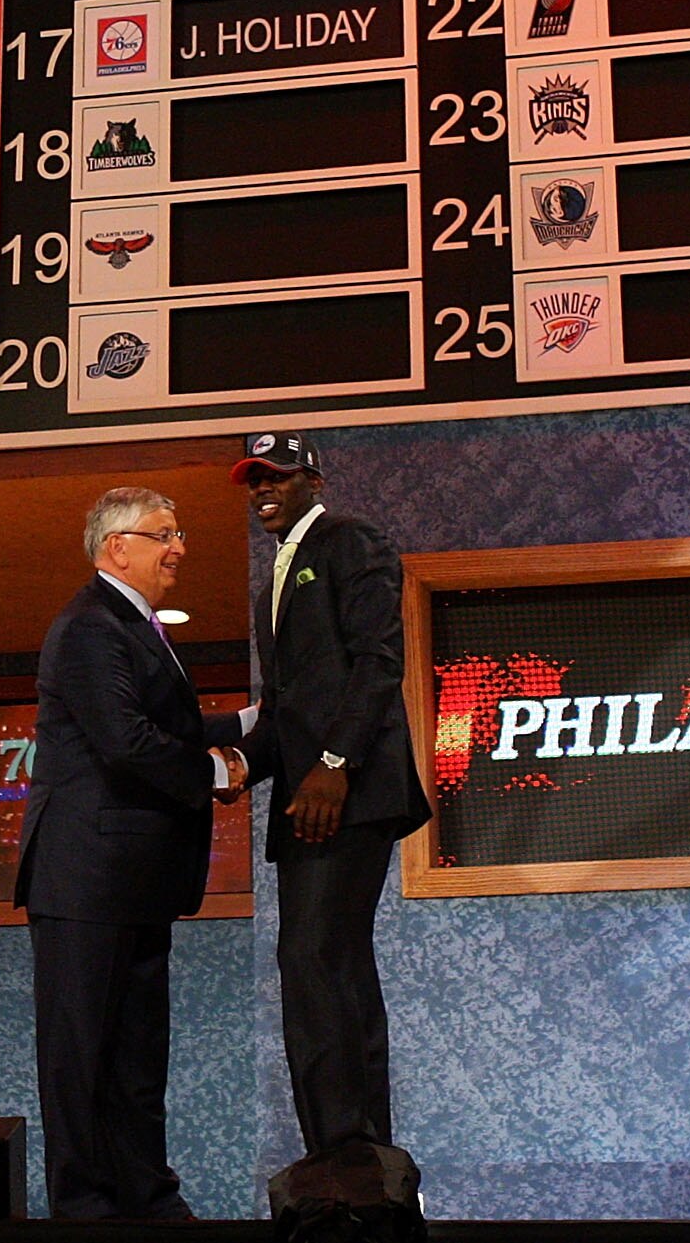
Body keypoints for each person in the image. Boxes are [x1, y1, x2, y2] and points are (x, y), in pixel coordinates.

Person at [15, 486, 250, 1219]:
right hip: (85, 878)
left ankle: (147, 1196)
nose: (179, 547)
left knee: (137, 1059)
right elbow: (126, 741)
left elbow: (168, 719)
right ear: (117, 546)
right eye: (165, 533)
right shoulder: (90, 625)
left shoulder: (133, 624)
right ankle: (86, 1208)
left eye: (179, 532)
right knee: (81, 1057)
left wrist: (252, 722)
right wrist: (218, 768)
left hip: (135, 881)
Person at [229, 431, 431, 1161]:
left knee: (315, 957)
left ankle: (344, 1145)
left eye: (277, 474)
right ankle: (352, 1143)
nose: (263, 490)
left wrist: (335, 762)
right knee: (330, 960)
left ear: (313, 477)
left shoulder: (351, 540)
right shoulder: (272, 585)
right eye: (253, 480)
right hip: (311, 795)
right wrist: (235, 767)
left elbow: (378, 660)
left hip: (348, 792)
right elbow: (282, 706)